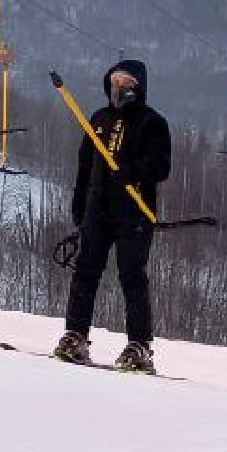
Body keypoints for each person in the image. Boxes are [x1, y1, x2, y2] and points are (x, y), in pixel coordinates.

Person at [53, 60, 172, 373]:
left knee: (132, 277)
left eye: (127, 81)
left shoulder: (152, 122)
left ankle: (140, 346)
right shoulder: (98, 119)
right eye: (116, 80)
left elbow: (161, 166)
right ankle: (75, 336)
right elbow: (84, 167)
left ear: (139, 85)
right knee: (85, 272)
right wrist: (80, 208)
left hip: (134, 213)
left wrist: (130, 173)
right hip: (96, 211)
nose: (120, 86)